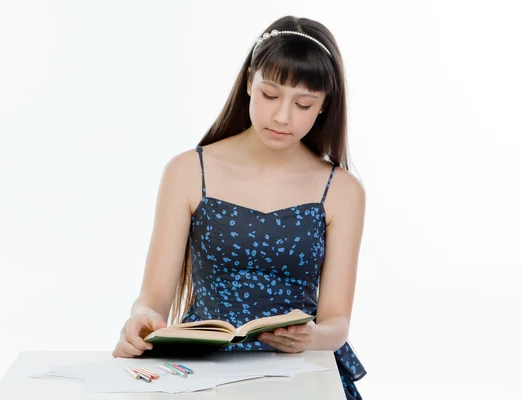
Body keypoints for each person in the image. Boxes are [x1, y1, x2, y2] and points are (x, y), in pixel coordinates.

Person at [112, 15, 367, 399]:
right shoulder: (188, 171)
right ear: (249, 82)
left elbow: (337, 323)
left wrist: (312, 336)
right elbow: (153, 297)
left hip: (300, 373)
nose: (282, 116)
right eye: (269, 95)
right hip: (201, 369)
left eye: (303, 103)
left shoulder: (342, 190)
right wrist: (141, 320)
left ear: (323, 106)